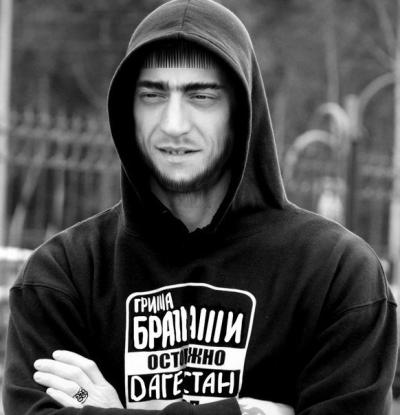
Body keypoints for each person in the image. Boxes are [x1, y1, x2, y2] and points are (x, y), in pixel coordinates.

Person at [2, 0, 398, 414]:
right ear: (127, 109)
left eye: (202, 95)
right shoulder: (62, 276)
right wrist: (242, 412)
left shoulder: (335, 274)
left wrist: (110, 410)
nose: (174, 124)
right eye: (152, 94)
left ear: (241, 111)